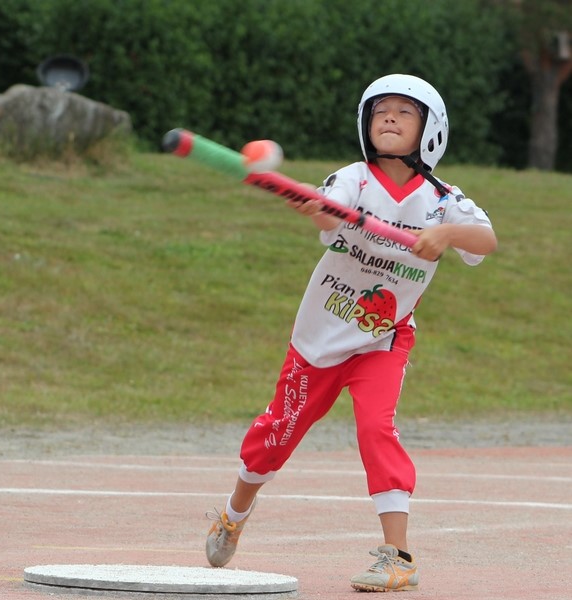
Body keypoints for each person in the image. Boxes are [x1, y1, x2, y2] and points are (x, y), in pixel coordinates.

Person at [205, 74, 498, 592]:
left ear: (430, 131)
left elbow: (486, 240)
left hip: (383, 337)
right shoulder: (353, 180)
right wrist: (315, 208)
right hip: (318, 339)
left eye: (404, 112)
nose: (390, 118)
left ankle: (398, 558)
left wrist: (447, 233)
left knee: (376, 429)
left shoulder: (442, 199)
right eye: (380, 111)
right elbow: (326, 213)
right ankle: (235, 513)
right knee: (274, 438)